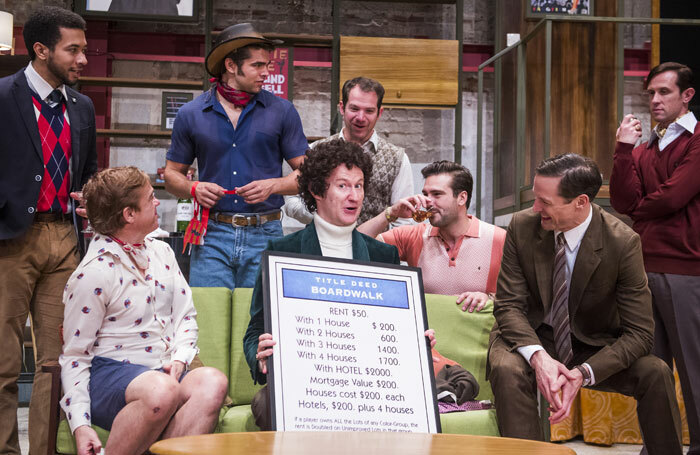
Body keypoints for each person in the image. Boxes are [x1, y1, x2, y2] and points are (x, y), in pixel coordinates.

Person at [488, 153, 682, 455]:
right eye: (536, 198)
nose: (536, 208)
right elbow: (509, 306)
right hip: (533, 334)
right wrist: (539, 358)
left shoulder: (623, 242)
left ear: (581, 202)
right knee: (506, 367)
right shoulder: (522, 226)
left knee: (655, 372)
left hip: (592, 343)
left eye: (546, 202)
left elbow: (641, 334)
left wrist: (583, 372)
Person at [242, 139, 434, 429]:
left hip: (372, 387)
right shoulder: (282, 253)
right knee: (267, 403)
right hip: (304, 384)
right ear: (317, 190)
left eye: (359, 186)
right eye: (342, 186)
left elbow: (395, 334)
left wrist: (417, 344)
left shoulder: (385, 255)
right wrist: (260, 354)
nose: (354, 196)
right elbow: (255, 330)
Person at [60, 167, 228, 455]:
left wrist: (180, 357)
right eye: (151, 198)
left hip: (161, 369)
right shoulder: (94, 273)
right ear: (129, 214)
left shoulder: (161, 252)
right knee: (162, 389)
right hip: (110, 374)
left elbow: (185, 315)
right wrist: (80, 424)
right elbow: (75, 355)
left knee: (212, 382)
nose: (158, 202)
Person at [0, 7, 97, 454]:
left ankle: (43, 450)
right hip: (10, 241)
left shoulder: (83, 106)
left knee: (57, 364)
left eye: (83, 49)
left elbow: (90, 173)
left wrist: (91, 203)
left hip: (65, 238)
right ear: (40, 50)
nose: (82, 59)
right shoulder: (2, 97)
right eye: (72, 49)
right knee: (2, 363)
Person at [164, 22, 308, 290]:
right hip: (211, 236)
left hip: (265, 234)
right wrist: (192, 187)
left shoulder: (283, 112)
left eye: (268, 65)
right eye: (257, 66)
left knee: (257, 328)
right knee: (210, 324)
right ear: (231, 66)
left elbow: (311, 174)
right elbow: (171, 175)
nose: (266, 72)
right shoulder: (191, 114)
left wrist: (274, 185)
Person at [610, 61, 700, 455]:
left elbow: (676, 195)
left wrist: (641, 208)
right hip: (645, 268)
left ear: (687, 95)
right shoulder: (646, 147)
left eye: (664, 92)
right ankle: (660, 449)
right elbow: (622, 200)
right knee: (653, 369)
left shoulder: (697, 140)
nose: (655, 100)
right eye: (650, 93)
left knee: (694, 367)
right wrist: (624, 148)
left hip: (686, 268)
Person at [358, 160, 505, 312]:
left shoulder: (499, 239)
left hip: (480, 333)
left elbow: (520, 295)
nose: (428, 202)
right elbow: (357, 243)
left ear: (462, 198)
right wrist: (390, 214)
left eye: (437, 194)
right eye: (426, 194)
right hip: (427, 334)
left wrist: (490, 298)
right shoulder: (414, 235)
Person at [284, 76, 413, 227]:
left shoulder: (397, 159)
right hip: (320, 247)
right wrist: (324, 219)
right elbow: (292, 201)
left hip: (373, 249)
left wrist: (380, 246)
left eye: (369, 111)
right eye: (354, 108)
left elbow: (403, 221)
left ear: (379, 113)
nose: (361, 117)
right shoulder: (315, 151)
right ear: (341, 108)